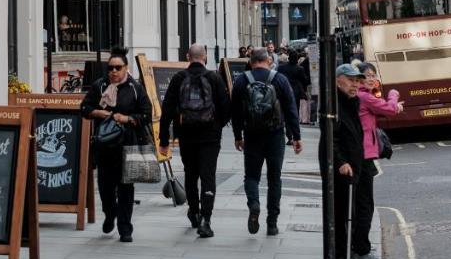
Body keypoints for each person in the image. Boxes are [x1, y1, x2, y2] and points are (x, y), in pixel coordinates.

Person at [80, 47, 152, 242]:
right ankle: (110, 214)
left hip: (128, 145)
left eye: (117, 68)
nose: (113, 72)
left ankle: (125, 228)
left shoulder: (135, 88)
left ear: (126, 68)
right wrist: (97, 113)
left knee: (126, 187)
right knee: (105, 187)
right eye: (110, 68)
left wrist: (127, 118)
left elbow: (147, 114)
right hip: (105, 147)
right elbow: (84, 108)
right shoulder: (99, 86)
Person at [159, 43, 231, 238]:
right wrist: (216, 125)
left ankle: (194, 211)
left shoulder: (178, 78)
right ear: (205, 57)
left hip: (186, 135)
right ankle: (206, 220)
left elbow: (167, 110)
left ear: (187, 56)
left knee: (191, 175)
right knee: (208, 176)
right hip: (210, 137)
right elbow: (226, 109)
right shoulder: (214, 78)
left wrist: (164, 139)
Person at [232, 48, 303, 236]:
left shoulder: (241, 80)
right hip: (275, 135)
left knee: (252, 177)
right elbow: (290, 109)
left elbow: (235, 112)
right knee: (274, 179)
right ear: (268, 61)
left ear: (250, 61)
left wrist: (238, 136)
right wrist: (296, 136)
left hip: (252, 135)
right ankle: (272, 223)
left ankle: (254, 204)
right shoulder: (279, 79)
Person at [350, 62, 403, 259]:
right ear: (360, 79)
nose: (372, 79)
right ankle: (360, 251)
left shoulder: (362, 97)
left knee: (361, 204)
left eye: (374, 75)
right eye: (368, 76)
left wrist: (392, 106)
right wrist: (394, 95)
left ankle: (359, 246)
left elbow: (381, 111)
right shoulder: (365, 96)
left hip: (362, 155)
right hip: (362, 156)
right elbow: (389, 108)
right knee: (365, 205)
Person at [329, 64, 368, 259]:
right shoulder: (335, 105)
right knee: (343, 219)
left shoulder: (350, 102)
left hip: (353, 168)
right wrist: (341, 162)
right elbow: (331, 137)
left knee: (347, 218)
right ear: (337, 80)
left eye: (357, 81)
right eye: (351, 80)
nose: (356, 84)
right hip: (343, 171)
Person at [279, 49, 311, 125]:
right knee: (295, 107)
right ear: (297, 59)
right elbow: (305, 81)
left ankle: (286, 122)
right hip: (295, 92)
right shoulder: (299, 69)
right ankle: (293, 122)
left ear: (289, 58)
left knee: (284, 106)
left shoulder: (281, 67)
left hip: (284, 90)